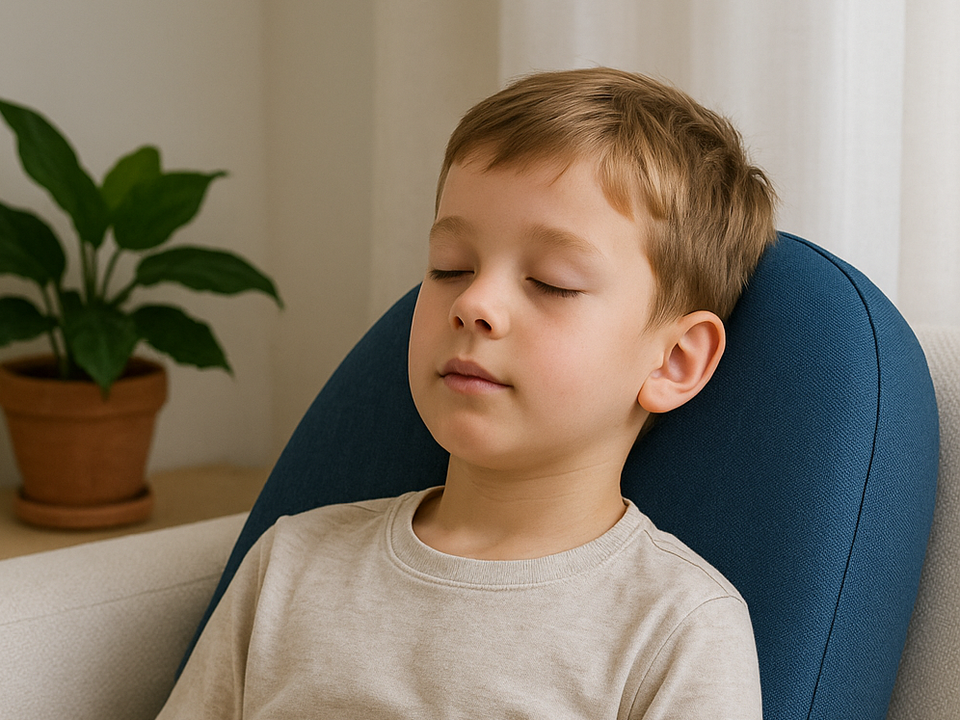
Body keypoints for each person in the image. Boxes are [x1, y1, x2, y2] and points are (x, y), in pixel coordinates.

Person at [158, 67, 777, 719]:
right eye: (451, 267)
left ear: (674, 360)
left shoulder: (677, 628)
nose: (474, 302)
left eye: (552, 282)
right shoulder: (291, 564)